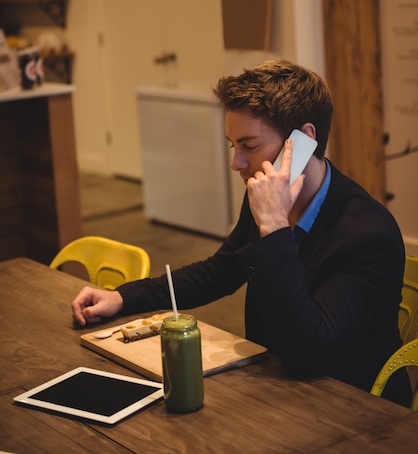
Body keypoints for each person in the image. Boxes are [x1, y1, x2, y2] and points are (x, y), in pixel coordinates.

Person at [72, 59, 411, 407]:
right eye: (233, 146)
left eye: (249, 146)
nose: (236, 163)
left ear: (305, 141)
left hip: (355, 406)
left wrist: (275, 227)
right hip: (279, 389)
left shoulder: (368, 236)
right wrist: (124, 297)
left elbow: (308, 353)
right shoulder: (265, 201)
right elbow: (220, 271)